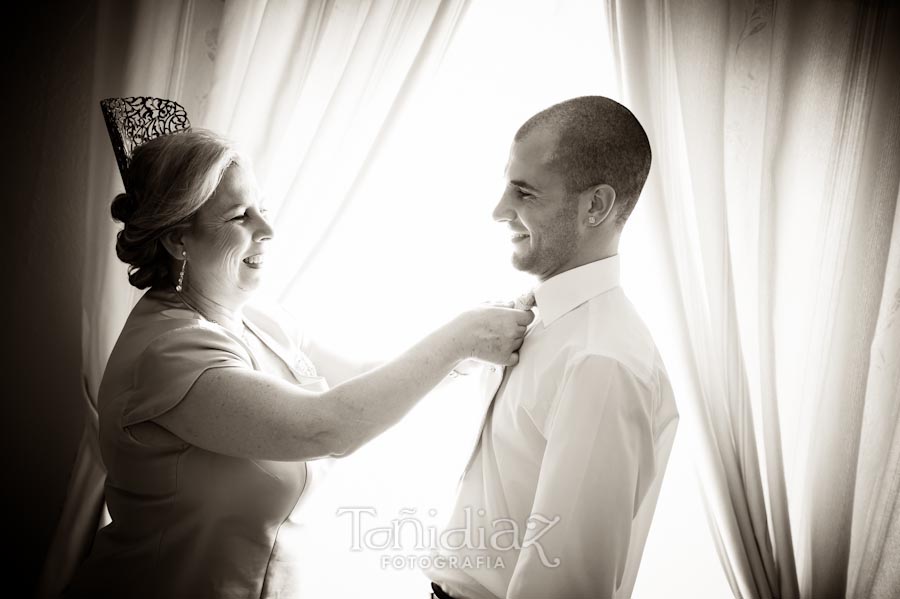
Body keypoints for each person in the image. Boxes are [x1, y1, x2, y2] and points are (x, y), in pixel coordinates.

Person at [64, 127, 534, 598]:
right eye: (238, 217)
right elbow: (324, 428)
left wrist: (467, 352)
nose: (267, 230)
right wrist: (461, 337)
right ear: (178, 240)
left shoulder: (256, 316)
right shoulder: (168, 352)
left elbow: (355, 379)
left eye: (262, 209)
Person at [426, 96, 679, 599]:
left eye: (524, 193)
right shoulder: (533, 322)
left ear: (596, 206)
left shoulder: (602, 363)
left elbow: (565, 581)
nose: (499, 210)